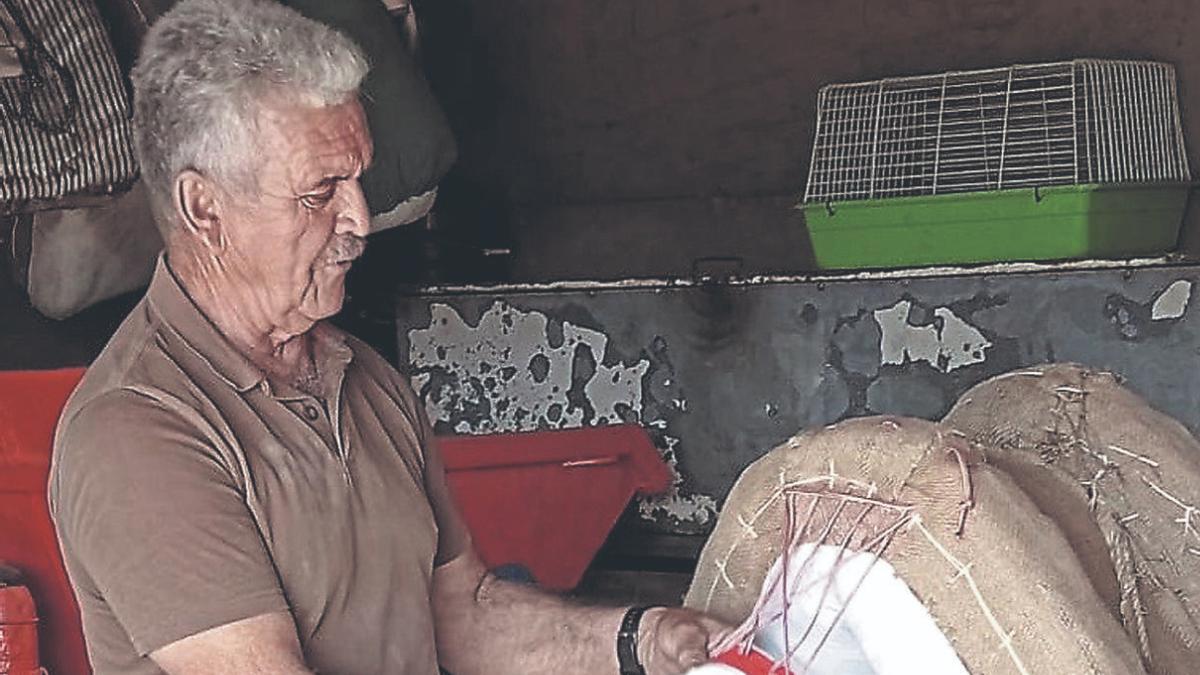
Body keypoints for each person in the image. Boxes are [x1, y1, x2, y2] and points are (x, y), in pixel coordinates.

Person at [47, 0, 727, 673]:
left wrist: (644, 639)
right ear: (205, 209)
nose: (360, 219)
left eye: (359, 179)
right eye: (321, 191)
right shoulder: (137, 430)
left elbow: (460, 612)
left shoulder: (363, 376)